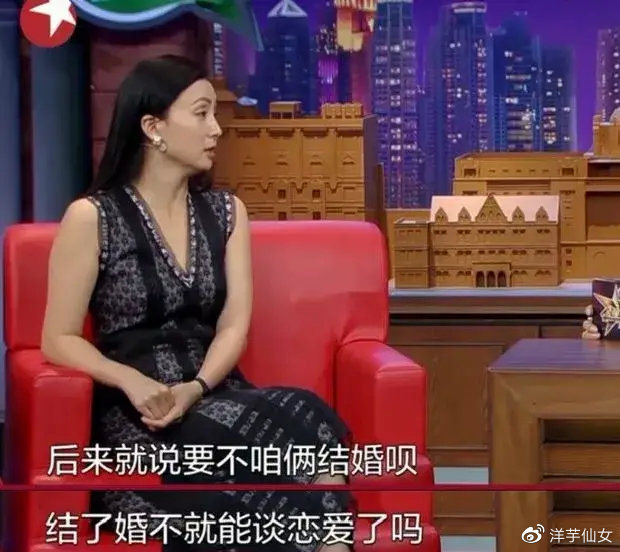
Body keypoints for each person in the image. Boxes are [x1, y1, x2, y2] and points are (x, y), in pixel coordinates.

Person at [41, 55, 353, 552]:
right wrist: (131, 381)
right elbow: (57, 338)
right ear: (153, 128)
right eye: (201, 113)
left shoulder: (227, 212)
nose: (216, 129)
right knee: (272, 464)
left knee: (304, 411)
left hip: (213, 390)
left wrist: (198, 386)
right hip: (142, 413)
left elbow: (234, 325)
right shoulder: (92, 217)